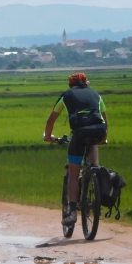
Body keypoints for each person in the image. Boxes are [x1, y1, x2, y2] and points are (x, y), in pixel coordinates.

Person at [44, 73, 108, 225]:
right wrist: (103, 139)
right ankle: (94, 174)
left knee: (74, 171)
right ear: (86, 83)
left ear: (70, 84)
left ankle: (72, 212)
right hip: (99, 131)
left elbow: (51, 120)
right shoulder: (96, 94)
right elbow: (105, 121)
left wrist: (48, 137)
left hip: (79, 132)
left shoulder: (66, 95)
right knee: (93, 156)